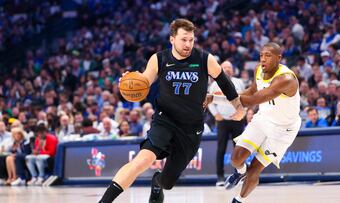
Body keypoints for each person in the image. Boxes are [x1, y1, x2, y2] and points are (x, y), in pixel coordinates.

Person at [98, 18, 244, 203]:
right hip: (164, 119)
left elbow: (224, 82)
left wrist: (238, 107)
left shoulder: (204, 59)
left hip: (191, 127)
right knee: (141, 161)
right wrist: (130, 80)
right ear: (172, 39)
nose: (188, 44)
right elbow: (143, 82)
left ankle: (157, 182)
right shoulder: (159, 59)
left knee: (168, 182)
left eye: (191, 39)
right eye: (184, 39)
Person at [207, 42, 301, 203]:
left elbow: (251, 100)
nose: (263, 59)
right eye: (261, 55)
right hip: (262, 119)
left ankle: (239, 199)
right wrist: (226, 95)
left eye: (268, 56)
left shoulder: (285, 79)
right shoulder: (259, 69)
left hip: (282, 131)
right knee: (236, 158)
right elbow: (250, 92)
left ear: (279, 58)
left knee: (255, 169)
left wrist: (216, 98)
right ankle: (240, 171)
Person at [208, 60, 245, 186]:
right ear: (220, 69)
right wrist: (215, 114)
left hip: (237, 120)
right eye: (225, 67)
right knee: (221, 149)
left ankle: (239, 175)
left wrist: (242, 112)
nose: (227, 69)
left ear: (233, 70)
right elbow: (209, 100)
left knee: (239, 150)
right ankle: (220, 177)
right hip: (223, 121)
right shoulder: (214, 85)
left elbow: (246, 99)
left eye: (229, 67)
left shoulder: (240, 82)